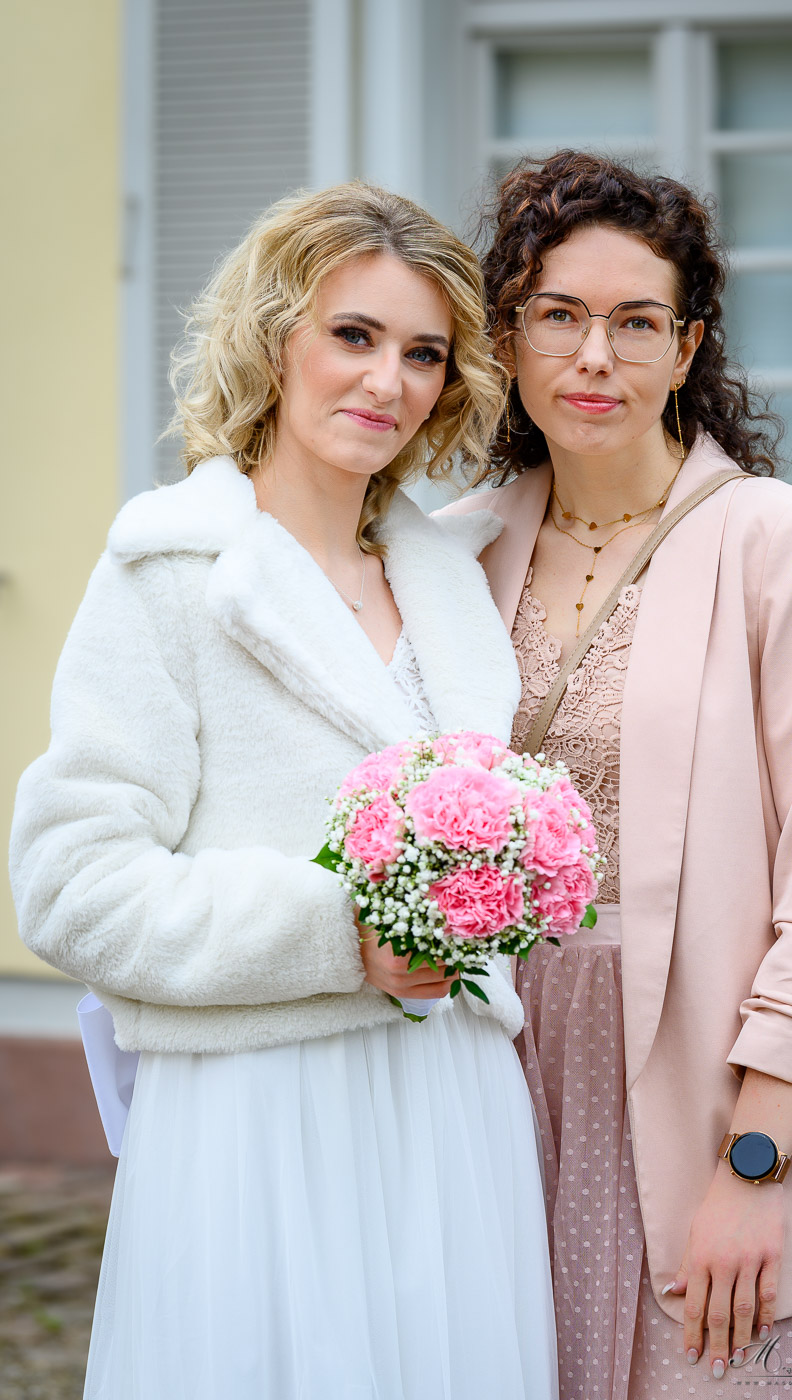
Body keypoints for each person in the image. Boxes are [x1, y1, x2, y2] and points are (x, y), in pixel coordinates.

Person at [9, 183, 558, 1400]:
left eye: (422, 352)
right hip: (261, 1112)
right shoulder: (171, 571)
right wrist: (338, 933)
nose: (387, 381)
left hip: (450, 1101)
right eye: (352, 336)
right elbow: (70, 883)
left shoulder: (452, 580)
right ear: (274, 341)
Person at [440, 151, 792, 1399]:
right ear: (506, 334)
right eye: (557, 315)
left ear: (687, 341)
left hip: (715, 1095)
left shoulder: (780, 540)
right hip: (490, 1093)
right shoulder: (452, 552)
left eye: (635, 320)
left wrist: (755, 1163)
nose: (594, 357)